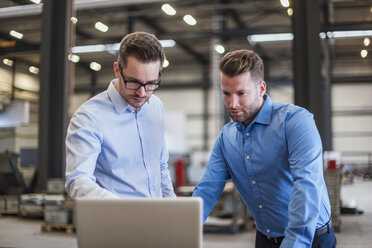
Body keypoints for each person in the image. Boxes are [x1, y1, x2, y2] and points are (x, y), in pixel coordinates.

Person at [192, 49, 337, 247]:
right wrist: (183, 231)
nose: (232, 103)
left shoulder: (295, 122)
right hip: (265, 239)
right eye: (226, 93)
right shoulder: (227, 137)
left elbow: (306, 186)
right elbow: (207, 189)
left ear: (261, 88)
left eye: (241, 93)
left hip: (311, 238)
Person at [65, 32, 175, 199]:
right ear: (117, 70)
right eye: (133, 82)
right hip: (116, 221)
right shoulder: (89, 117)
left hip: (157, 219)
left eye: (151, 83)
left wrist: (172, 208)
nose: (142, 93)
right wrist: (124, 209)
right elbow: (78, 181)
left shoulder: (156, 107)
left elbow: (160, 166)